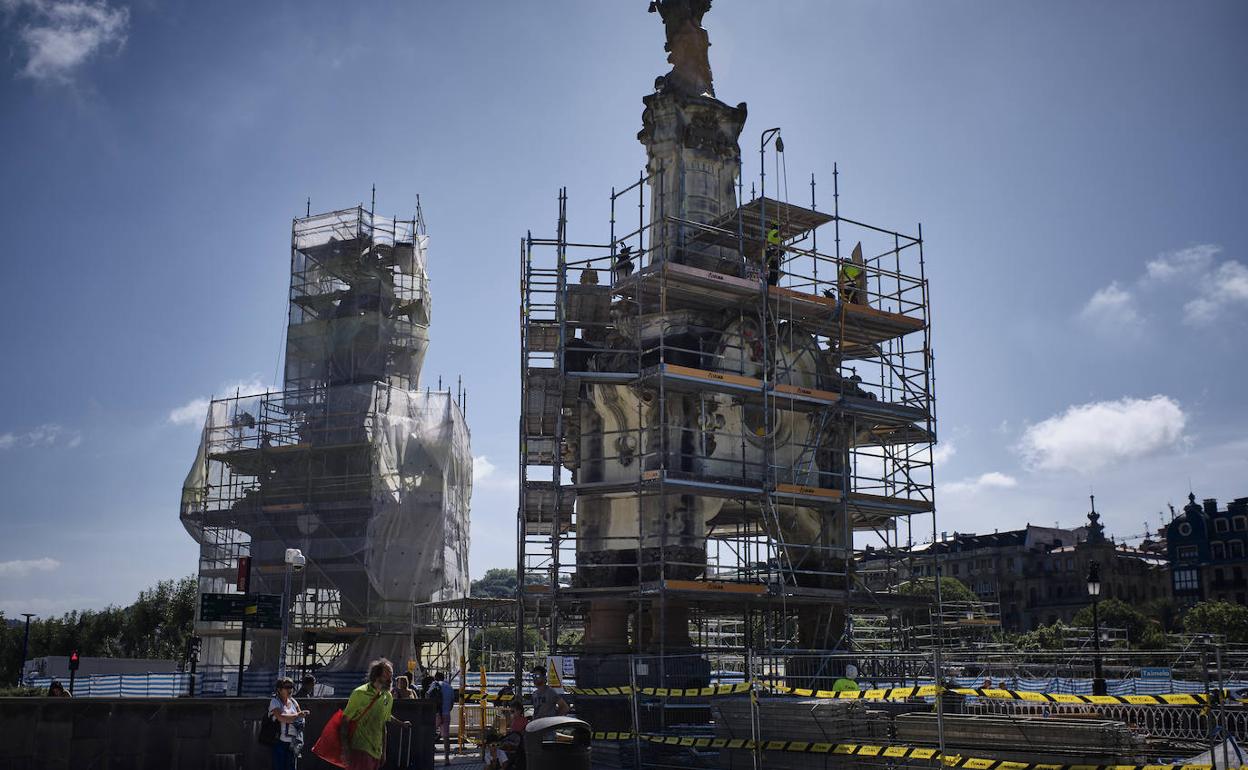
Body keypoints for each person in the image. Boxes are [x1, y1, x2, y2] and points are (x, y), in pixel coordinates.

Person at [340, 658, 411, 770]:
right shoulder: (360, 693)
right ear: (376, 676)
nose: (390, 679)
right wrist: (345, 749)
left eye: (391, 675)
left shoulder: (387, 696)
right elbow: (344, 721)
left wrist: (383, 752)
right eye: (386, 675)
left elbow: (384, 722)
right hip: (360, 748)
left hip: (376, 751)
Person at [268, 676, 309, 770]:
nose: (290, 689)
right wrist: (298, 716)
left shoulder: (294, 702)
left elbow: (300, 718)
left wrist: (300, 718)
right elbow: (281, 717)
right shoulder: (275, 702)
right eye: (287, 687)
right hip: (280, 742)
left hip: (293, 743)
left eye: (291, 687)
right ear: (279, 689)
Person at [425, 671, 456, 764]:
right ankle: (447, 759)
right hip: (446, 714)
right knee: (446, 737)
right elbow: (451, 703)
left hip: (435, 713)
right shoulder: (449, 687)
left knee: (429, 736)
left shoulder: (434, 684)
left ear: (436, 678)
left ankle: (430, 758)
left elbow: (427, 695)